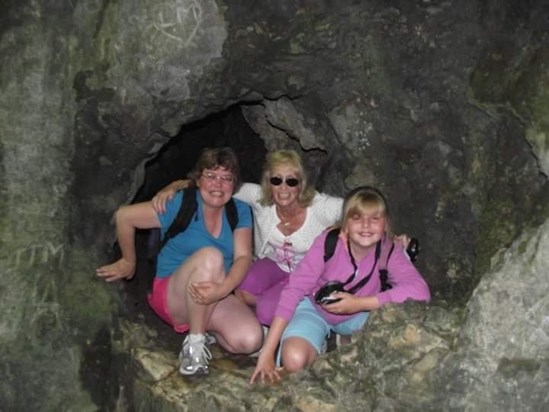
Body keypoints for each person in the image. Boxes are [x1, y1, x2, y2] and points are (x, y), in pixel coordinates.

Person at [97, 147, 263, 376]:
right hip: (171, 295)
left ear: (234, 185)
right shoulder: (180, 203)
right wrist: (128, 261)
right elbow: (124, 216)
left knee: (251, 340)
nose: (218, 184)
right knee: (211, 256)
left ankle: (207, 330)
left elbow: (243, 257)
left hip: (212, 294)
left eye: (226, 179)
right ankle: (194, 344)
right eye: (211, 176)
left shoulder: (239, 210)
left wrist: (224, 288)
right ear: (198, 179)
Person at [249, 186, 431, 384]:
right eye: (357, 218)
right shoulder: (328, 243)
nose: (366, 225)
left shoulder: (389, 251)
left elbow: (420, 291)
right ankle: (320, 340)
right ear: (345, 225)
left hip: (359, 314)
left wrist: (360, 304)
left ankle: (345, 338)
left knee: (388, 345)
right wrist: (267, 352)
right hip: (315, 309)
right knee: (294, 360)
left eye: (375, 218)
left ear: (385, 224)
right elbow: (293, 291)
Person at [153, 149, 344, 326]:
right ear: (268, 182)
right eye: (276, 180)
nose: (283, 188)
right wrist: (177, 185)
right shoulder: (260, 197)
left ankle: (299, 309)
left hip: (308, 273)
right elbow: (220, 184)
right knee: (243, 286)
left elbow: (357, 209)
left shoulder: (320, 206)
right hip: (275, 264)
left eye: (291, 181)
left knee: (266, 311)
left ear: (301, 183)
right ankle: (280, 306)